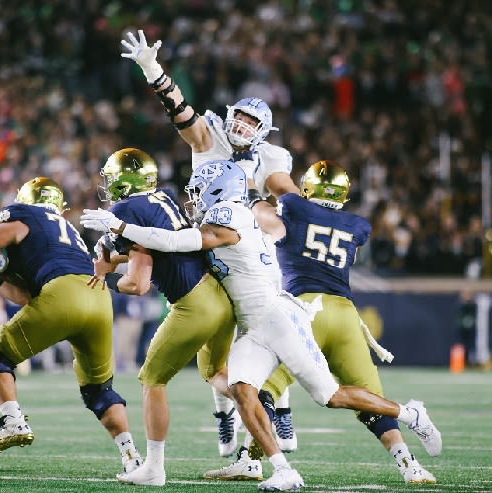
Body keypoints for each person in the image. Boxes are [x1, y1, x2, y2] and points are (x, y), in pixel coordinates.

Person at [80, 159, 442, 491]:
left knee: (329, 396)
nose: (195, 196)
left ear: (219, 188)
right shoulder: (223, 216)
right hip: (254, 328)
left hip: (277, 319)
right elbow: (171, 248)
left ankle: (409, 412)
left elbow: (177, 241)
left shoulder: (229, 214)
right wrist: (113, 252)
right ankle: (282, 469)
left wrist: (120, 225)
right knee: (242, 389)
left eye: (201, 188)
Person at [203, 160, 438, 484]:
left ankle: (250, 460)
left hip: (303, 311)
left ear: (308, 188)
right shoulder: (355, 224)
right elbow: (349, 254)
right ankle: (409, 463)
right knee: (369, 395)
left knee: (263, 390)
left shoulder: (293, 207)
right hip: (344, 314)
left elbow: (262, 207)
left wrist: (248, 179)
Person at [121, 29, 299, 455]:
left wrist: (277, 212)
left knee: (256, 337)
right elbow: (179, 111)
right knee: (215, 352)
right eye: (239, 117)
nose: (241, 126)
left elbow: (288, 199)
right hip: (206, 248)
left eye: (252, 123)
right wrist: (153, 69)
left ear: (264, 132)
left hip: (243, 252)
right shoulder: (213, 135)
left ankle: (280, 409)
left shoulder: (271, 159)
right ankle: (225, 416)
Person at [0, 177, 142, 476]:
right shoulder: (69, 231)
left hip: (61, 295)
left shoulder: (25, 215)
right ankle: (132, 457)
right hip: (98, 296)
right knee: (99, 390)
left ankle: (13, 420)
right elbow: (27, 295)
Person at [84, 147, 237, 486]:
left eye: (112, 179)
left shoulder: (125, 209)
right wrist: (113, 255)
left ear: (125, 181)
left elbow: (138, 284)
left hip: (192, 304)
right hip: (219, 297)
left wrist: (106, 279)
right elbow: (151, 246)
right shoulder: (162, 197)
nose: (109, 185)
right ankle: (263, 409)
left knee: (152, 380)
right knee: (216, 373)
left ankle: (153, 468)